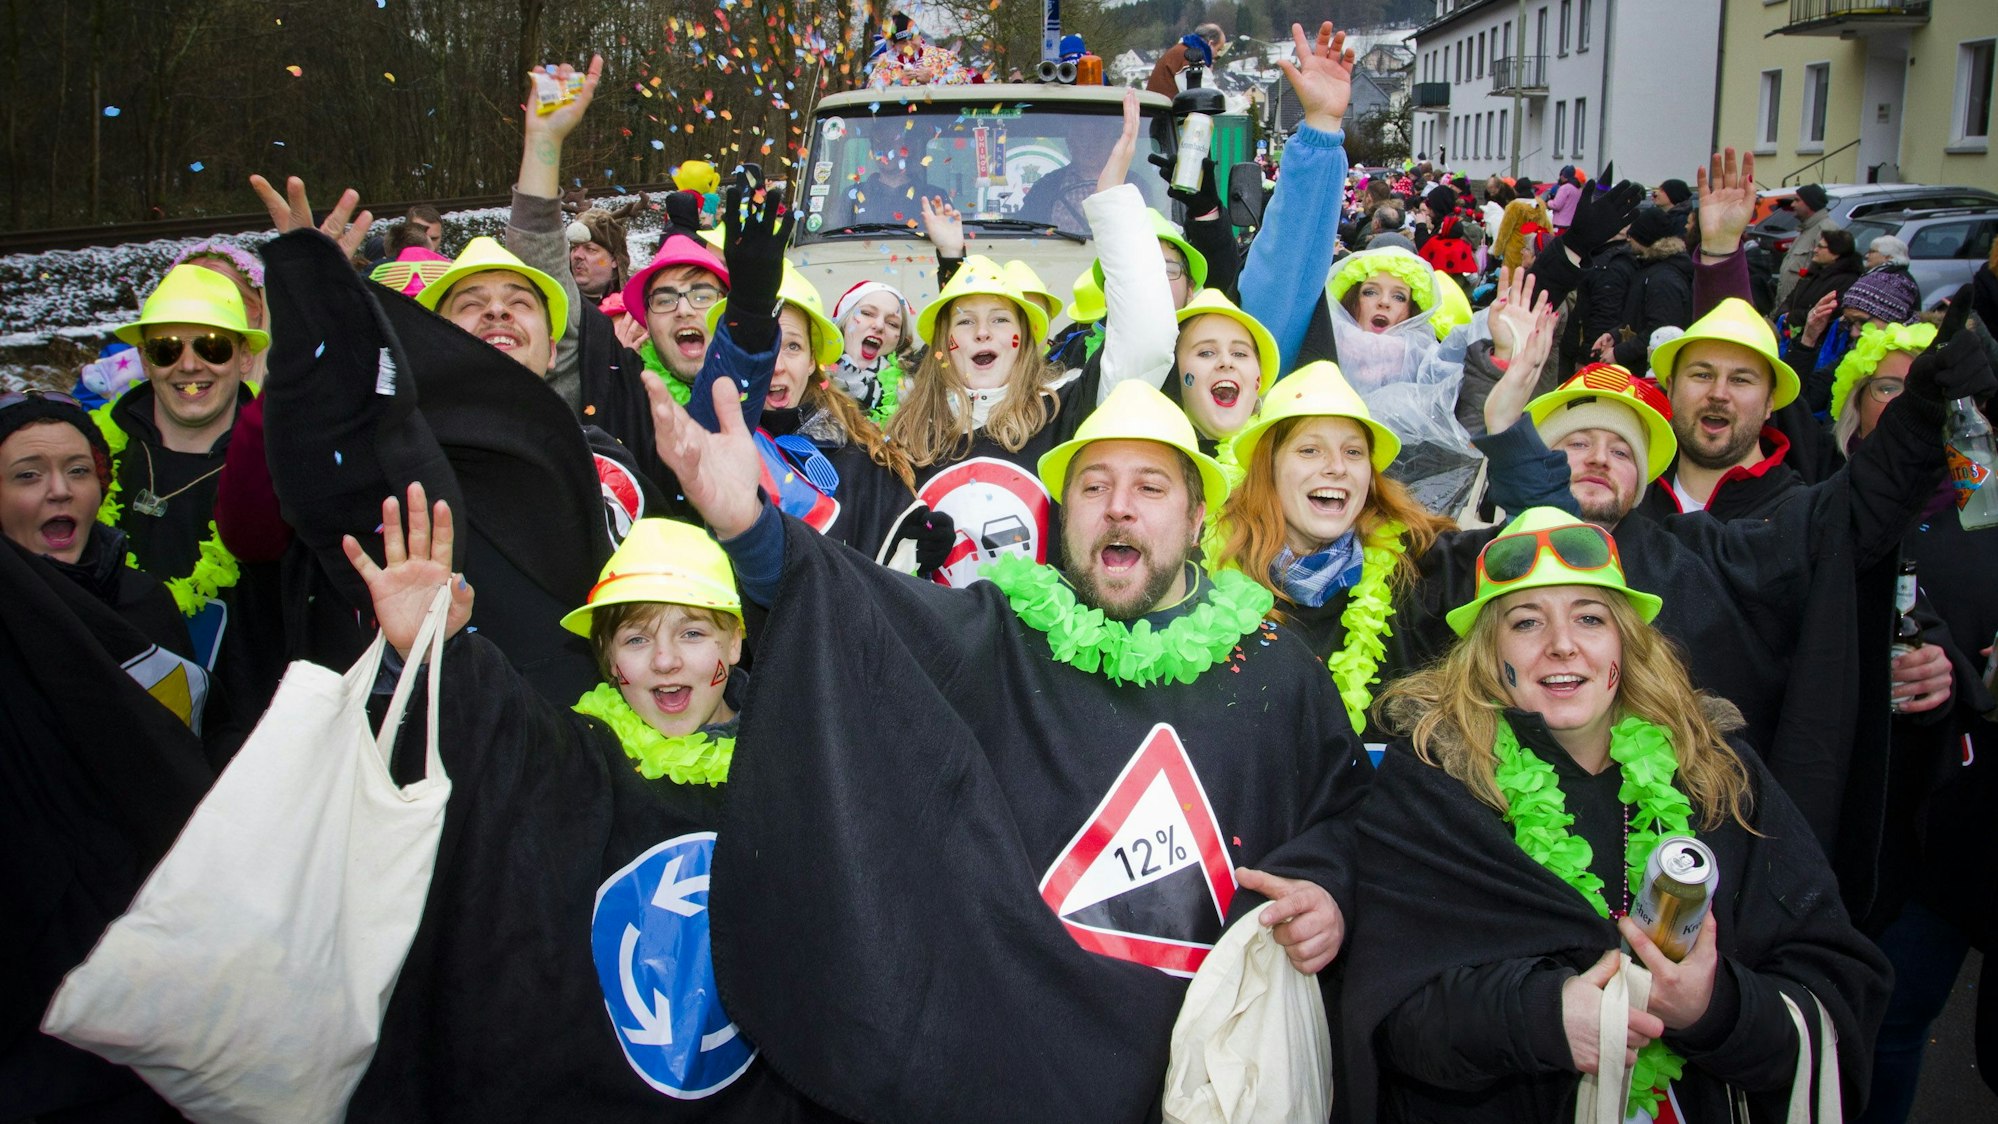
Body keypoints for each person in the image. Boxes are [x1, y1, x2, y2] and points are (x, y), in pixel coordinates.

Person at [640, 369, 1369, 1120]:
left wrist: (1327, 892)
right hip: (1019, 1077)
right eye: (1092, 487)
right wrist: (749, 528)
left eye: (1150, 488)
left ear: (1195, 518)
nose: (1118, 507)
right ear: (1063, 513)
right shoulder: (994, 636)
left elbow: (1343, 815)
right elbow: (846, 610)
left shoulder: (1277, 668)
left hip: (1203, 1079)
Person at [1342, 506, 1891, 1121]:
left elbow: (1838, 983)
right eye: (1526, 622)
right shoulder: (1436, 787)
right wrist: (1542, 1018)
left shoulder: (1715, 773)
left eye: (1590, 618)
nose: (1562, 645)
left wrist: (1713, 1008)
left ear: (1625, 643)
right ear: (1486, 653)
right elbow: (1393, 1016)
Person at [340, 491, 840, 1119]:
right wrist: (429, 650)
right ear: (607, 659)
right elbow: (482, 739)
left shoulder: (808, 764)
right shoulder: (573, 757)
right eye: (636, 639)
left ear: (734, 644)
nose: (664, 662)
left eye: (691, 632)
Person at [1211, 361, 1458, 739]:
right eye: (1310, 450)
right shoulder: (1208, 579)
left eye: (1354, 452)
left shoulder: (1422, 564)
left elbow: (1540, 557)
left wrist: (1508, 431)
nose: (1338, 467)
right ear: (1268, 468)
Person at [1593, 203, 1692, 372]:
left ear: (1645, 239)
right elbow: (1638, 320)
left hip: (1651, 373)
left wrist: (1619, 353)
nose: (1628, 239)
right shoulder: (1650, 269)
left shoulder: (1663, 280)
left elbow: (1660, 332)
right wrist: (1615, 335)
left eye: (1633, 235)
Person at [828, 279, 918, 421]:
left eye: (892, 323)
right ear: (844, 321)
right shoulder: (808, 378)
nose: (879, 325)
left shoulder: (912, 393)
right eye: (867, 313)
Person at [1775, 182, 1833, 306]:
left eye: (1797, 200)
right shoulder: (1806, 230)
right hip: (1787, 307)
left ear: (1810, 204)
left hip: (1802, 309)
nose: (1792, 205)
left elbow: (1826, 276)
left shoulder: (1826, 230)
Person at [1145, 23, 1224, 97]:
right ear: (1211, 43)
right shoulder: (1191, 58)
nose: (1217, 55)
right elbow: (1207, 95)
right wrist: (1235, 105)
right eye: (1218, 50)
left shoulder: (1180, 51)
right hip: (1165, 110)